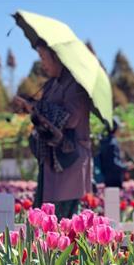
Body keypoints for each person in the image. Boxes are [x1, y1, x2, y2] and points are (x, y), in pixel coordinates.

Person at [13, 40, 92, 219]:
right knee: (43, 217)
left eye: (44, 57)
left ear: (57, 57)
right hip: (50, 159)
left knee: (62, 220)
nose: (42, 63)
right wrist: (31, 107)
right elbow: (44, 111)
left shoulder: (75, 85)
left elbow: (71, 118)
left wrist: (38, 110)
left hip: (68, 159)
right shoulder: (51, 84)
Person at [98, 117, 133, 189]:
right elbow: (114, 163)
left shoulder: (105, 141)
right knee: (114, 199)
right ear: (116, 128)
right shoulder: (112, 143)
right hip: (114, 179)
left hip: (107, 178)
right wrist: (126, 166)